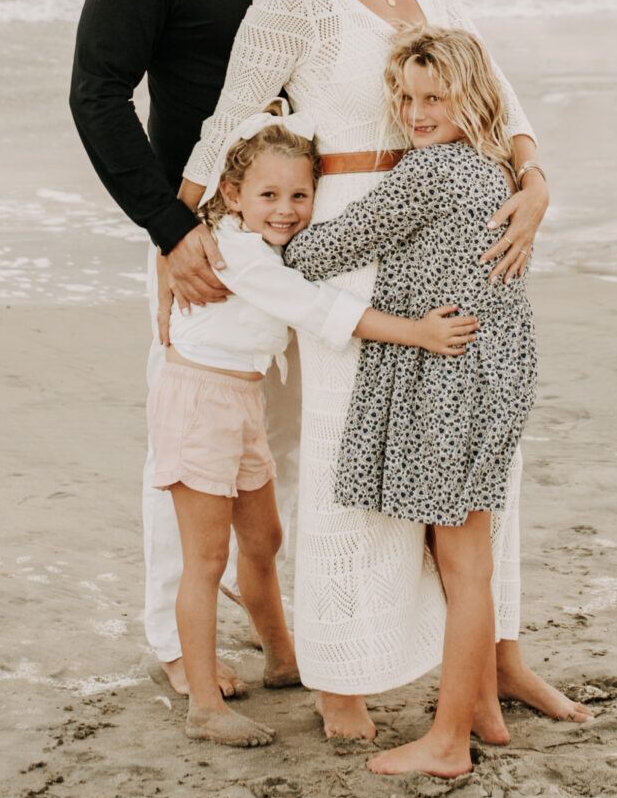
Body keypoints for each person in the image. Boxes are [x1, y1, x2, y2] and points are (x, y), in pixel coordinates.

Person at [182, 0, 585, 740]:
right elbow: (228, 117)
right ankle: (343, 680)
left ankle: (494, 662)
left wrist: (533, 180)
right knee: (349, 457)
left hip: (454, 229)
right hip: (352, 236)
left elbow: (497, 90)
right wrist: (180, 229)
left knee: (473, 459)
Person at [69, 0, 306, 693]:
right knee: (193, 447)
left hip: (319, 233)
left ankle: (293, 627)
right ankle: (178, 647)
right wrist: (170, 232)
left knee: (286, 445)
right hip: (208, 237)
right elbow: (96, 94)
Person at [155, 110, 480, 748]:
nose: (285, 211)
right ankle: (203, 704)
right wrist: (415, 331)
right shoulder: (238, 253)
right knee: (206, 557)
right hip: (198, 403)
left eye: (299, 196)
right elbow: (317, 308)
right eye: (268, 196)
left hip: (239, 400)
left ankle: (281, 657)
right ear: (232, 196)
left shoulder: (263, 242)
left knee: (264, 536)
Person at [282, 29, 537, 778]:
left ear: (473, 97)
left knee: (461, 564)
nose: (414, 111)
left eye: (434, 96)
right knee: (463, 556)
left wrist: (261, 221)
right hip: (493, 372)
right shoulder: (493, 170)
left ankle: (448, 741)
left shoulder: (432, 176)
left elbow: (321, 251)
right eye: (404, 95)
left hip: (453, 379)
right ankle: (482, 710)